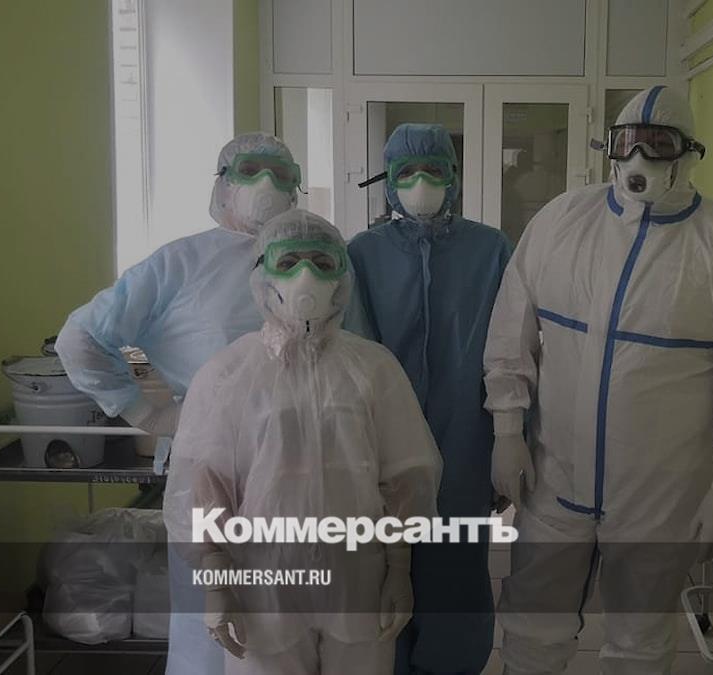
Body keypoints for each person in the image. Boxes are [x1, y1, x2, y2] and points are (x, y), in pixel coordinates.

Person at [483, 86, 713, 674]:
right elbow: (511, 330)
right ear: (610, 149)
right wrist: (506, 429)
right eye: (628, 142)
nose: (640, 157)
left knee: (640, 638)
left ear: (689, 153)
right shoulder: (561, 221)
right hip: (555, 476)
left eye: (659, 143)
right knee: (532, 620)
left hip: (660, 493)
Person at [55, 133, 301, 675]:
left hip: (303, 467)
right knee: (210, 631)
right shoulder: (181, 263)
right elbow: (83, 338)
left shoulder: (315, 255)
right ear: (222, 183)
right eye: (251, 170)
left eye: (282, 174)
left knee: (294, 625)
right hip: (209, 468)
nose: (267, 184)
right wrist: (149, 412)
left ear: (296, 189)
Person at [164, 209, 443, 675]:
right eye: (289, 261)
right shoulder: (228, 374)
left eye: (322, 261)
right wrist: (217, 583)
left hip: (358, 578)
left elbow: (406, 476)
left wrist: (399, 568)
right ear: (262, 274)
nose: (306, 275)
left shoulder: (374, 368)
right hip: (261, 583)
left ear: (342, 277)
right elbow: (206, 490)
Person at [344, 123, 512, 675]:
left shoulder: (491, 250)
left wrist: (511, 441)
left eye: (434, 170)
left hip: (466, 438)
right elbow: (352, 352)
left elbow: (513, 350)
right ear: (388, 180)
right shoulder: (361, 253)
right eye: (407, 172)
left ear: (454, 177)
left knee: (455, 567)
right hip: (381, 439)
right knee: (381, 566)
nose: (421, 182)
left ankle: (452, 664)